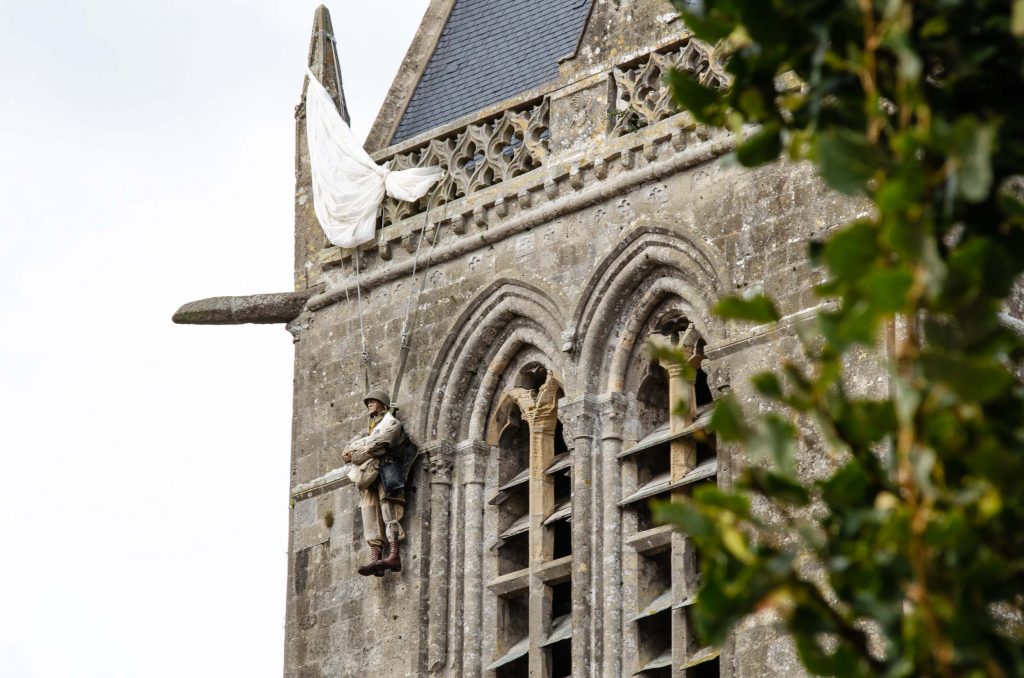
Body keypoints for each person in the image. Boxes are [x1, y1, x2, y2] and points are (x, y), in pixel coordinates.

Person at [342, 390, 407, 576]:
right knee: (368, 511)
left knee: (390, 511)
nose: (369, 403)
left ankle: (394, 555)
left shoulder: (392, 423)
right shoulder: (370, 431)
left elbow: (382, 443)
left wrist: (361, 452)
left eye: (373, 400)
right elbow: (350, 451)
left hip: (387, 471)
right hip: (370, 475)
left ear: (383, 404)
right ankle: (376, 557)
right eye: (368, 401)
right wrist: (355, 452)